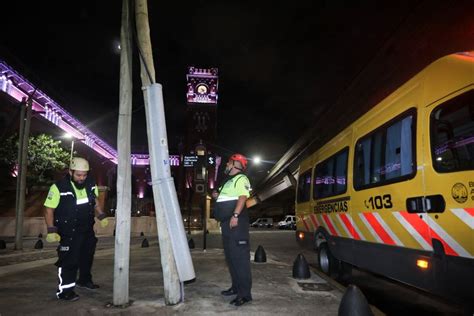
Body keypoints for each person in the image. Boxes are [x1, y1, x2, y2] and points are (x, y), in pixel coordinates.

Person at [43, 157, 109, 301]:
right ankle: (65, 291)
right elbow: (49, 209)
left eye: (84, 175)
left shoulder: (90, 183)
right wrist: (51, 230)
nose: (82, 178)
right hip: (68, 231)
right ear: (70, 172)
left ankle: (84, 281)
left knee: (87, 257)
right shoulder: (59, 187)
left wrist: (101, 215)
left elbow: (94, 201)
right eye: (78, 175)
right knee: (69, 260)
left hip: (86, 229)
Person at [212, 153, 252, 307]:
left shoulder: (241, 178)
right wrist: (216, 195)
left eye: (229, 162)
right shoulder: (228, 181)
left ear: (236, 164)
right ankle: (236, 288)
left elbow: (242, 197)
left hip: (237, 224)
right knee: (231, 259)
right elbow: (225, 198)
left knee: (240, 260)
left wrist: (235, 215)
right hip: (227, 225)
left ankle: (245, 295)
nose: (226, 165)